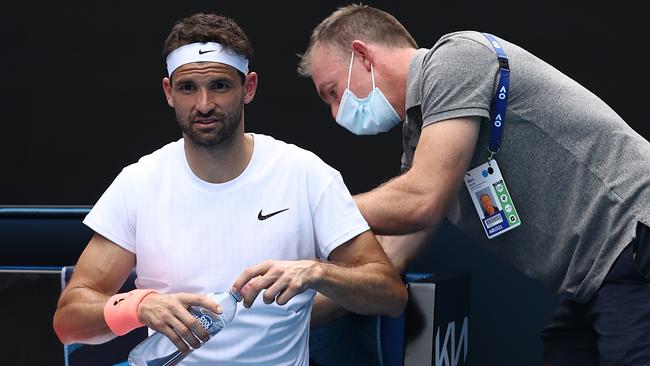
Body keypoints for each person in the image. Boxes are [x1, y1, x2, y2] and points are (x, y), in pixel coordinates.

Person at [298, 4, 650, 365]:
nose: (335, 112)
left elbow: (422, 199)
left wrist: (313, 209)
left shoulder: (455, 59)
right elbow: (391, 255)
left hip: (633, 240)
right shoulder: (423, 139)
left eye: (333, 92)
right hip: (592, 280)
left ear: (363, 56)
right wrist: (284, 317)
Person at [52, 12, 407, 366]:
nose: (204, 104)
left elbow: (390, 295)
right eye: (187, 88)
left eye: (219, 85)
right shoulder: (139, 183)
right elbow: (69, 322)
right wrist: (138, 306)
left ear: (248, 87)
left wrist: (318, 272)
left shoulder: (305, 174)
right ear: (168, 93)